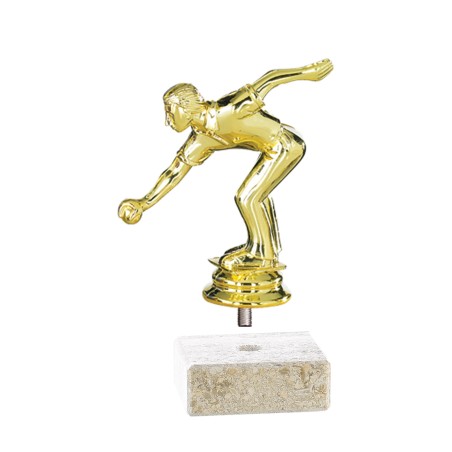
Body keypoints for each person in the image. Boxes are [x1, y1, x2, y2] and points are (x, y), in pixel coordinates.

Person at [119, 59, 333, 270]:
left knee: (247, 197)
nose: (167, 120)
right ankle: (263, 248)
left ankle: (262, 256)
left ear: (186, 108)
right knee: (256, 195)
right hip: (272, 149)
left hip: (286, 144)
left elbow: (270, 78)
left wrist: (307, 72)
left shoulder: (229, 109)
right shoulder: (200, 139)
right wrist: (144, 203)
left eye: (170, 111)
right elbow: (174, 172)